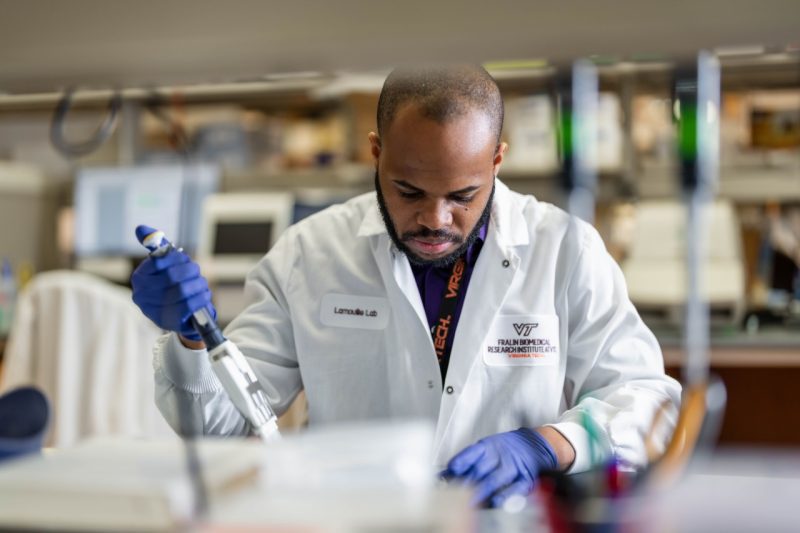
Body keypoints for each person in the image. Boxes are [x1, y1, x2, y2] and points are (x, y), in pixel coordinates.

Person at [131, 65, 680, 508]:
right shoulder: (310, 254)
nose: (435, 220)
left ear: (497, 159)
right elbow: (217, 426)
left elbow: (648, 401)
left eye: (463, 195)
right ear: (376, 152)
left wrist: (547, 444)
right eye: (408, 190)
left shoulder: (564, 250)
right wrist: (193, 340)